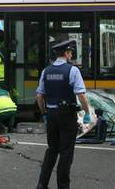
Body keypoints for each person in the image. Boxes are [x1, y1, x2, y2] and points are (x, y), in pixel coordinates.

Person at [36, 40, 91, 189]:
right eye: (71, 52)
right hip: (67, 116)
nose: (71, 55)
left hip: (51, 114)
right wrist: (87, 112)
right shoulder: (72, 70)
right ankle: (63, 186)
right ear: (66, 53)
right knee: (66, 153)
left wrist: (44, 113)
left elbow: (39, 96)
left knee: (52, 150)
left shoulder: (46, 71)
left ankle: (42, 184)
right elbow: (81, 94)